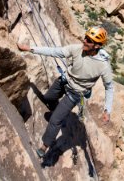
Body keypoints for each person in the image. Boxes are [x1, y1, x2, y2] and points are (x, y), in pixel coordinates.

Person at [18, 26, 114, 158]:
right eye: (85, 37)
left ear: (97, 46)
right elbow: (55, 51)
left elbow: (109, 87)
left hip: (75, 93)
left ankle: (44, 146)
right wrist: (31, 49)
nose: (84, 41)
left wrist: (107, 110)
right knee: (48, 97)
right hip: (65, 81)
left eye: (89, 40)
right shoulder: (77, 49)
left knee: (55, 120)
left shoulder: (103, 65)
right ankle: (58, 110)